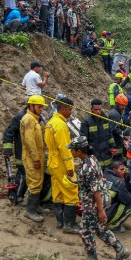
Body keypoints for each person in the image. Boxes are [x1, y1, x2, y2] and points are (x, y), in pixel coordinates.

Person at [69, 135, 131, 260]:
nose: (71, 151)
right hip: (100, 199)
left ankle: (92, 258)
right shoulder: (91, 159)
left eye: (72, 150)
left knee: (85, 231)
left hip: (95, 202)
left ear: (79, 151)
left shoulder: (88, 167)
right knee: (99, 228)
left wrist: (100, 210)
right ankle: (121, 250)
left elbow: (95, 189)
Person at [44, 94, 79, 233]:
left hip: (52, 162)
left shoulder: (51, 122)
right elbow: (65, 149)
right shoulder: (60, 126)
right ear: (63, 108)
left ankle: (60, 221)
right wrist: (70, 168)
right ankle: (69, 225)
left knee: (58, 192)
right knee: (71, 192)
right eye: (70, 109)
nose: (71, 112)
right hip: (61, 163)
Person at [19, 94, 48, 222]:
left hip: (38, 156)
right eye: (39, 106)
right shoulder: (28, 119)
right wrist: (36, 158)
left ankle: (36, 206)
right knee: (35, 182)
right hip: (31, 157)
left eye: (42, 107)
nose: (41, 109)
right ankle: (30, 210)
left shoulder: (34, 118)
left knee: (39, 180)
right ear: (31, 106)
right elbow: (30, 141)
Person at [80, 98, 121, 169]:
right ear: (91, 109)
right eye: (96, 110)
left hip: (107, 154)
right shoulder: (86, 122)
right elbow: (83, 139)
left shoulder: (105, 120)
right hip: (94, 154)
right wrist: (88, 150)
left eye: (100, 109)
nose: (98, 112)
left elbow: (110, 135)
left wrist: (113, 146)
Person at [2, 103, 27, 205]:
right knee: (23, 175)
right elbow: (8, 133)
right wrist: (8, 150)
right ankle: (16, 196)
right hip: (21, 152)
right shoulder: (20, 117)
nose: (41, 109)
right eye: (39, 107)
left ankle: (19, 195)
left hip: (31, 153)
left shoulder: (36, 117)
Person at [102, 160, 131, 233]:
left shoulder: (103, 174)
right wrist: (124, 183)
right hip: (103, 215)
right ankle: (113, 226)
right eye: (121, 169)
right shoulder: (118, 182)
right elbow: (128, 200)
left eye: (124, 169)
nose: (124, 171)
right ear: (114, 170)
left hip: (93, 213)